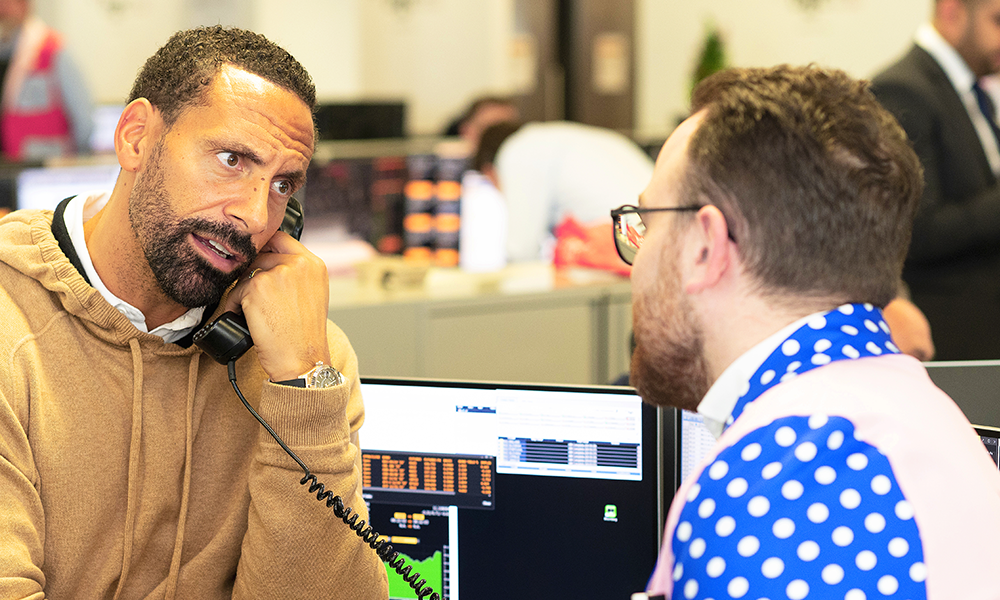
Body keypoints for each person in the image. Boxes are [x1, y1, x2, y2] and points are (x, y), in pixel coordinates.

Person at [0, 26, 388, 598]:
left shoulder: (306, 360)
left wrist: (303, 389)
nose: (256, 216)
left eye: (282, 184)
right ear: (136, 138)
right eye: (231, 159)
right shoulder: (13, 325)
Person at [620, 65, 1000, 599]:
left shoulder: (781, 482)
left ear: (705, 245)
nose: (635, 263)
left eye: (645, 221)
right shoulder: (899, 411)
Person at [870, 0, 1000, 361]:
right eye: (998, 20)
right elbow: (916, 231)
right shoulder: (901, 89)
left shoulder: (971, 90)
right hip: (953, 334)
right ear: (952, 12)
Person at [475, 119, 654, 264]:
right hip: (653, 236)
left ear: (489, 172)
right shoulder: (560, 138)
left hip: (625, 245)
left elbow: (521, 252)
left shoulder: (516, 150)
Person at [0, 0, 92, 160]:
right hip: (10, 165)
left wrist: (73, 165)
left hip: (46, 168)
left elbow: (84, 122)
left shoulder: (53, 50)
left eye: (7, 4)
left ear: (24, 5)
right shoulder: (6, 52)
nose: (2, 11)